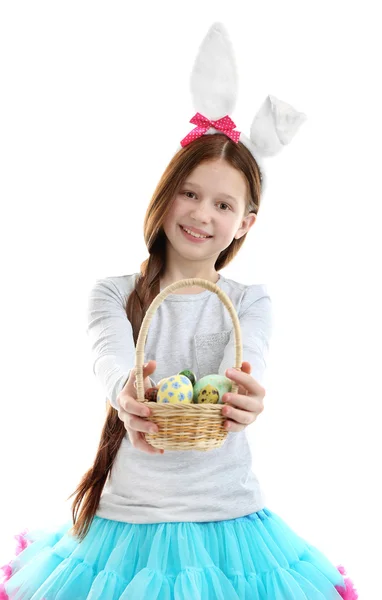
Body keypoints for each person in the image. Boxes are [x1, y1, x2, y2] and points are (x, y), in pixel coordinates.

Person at [0, 22, 358, 600]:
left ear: (244, 223)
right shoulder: (112, 293)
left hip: (229, 525)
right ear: (166, 196)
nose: (201, 214)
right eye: (189, 193)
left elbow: (250, 362)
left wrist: (247, 394)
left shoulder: (249, 302)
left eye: (223, 203)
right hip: (125, 525)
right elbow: (108, 358)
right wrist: (127, 392)